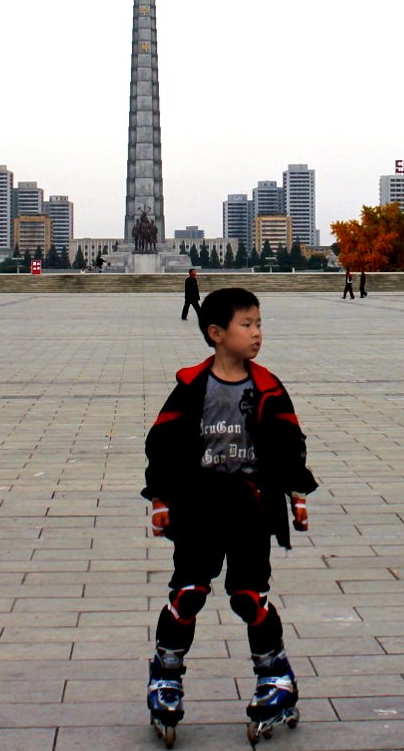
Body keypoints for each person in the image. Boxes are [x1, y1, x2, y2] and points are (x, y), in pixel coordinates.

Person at [143, 287, 318, 745]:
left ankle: (274, 676)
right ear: (216, 334)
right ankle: (166, 675)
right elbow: (161, 445)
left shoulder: (268, 387)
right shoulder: (191, 386)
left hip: (249, 505)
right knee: (188, 592)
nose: (257, 333)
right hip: (199, 504)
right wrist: (160, 498)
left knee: (248, 595)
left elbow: (289, 444)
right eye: (248, 325)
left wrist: (296, 493)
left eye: (260, 324)